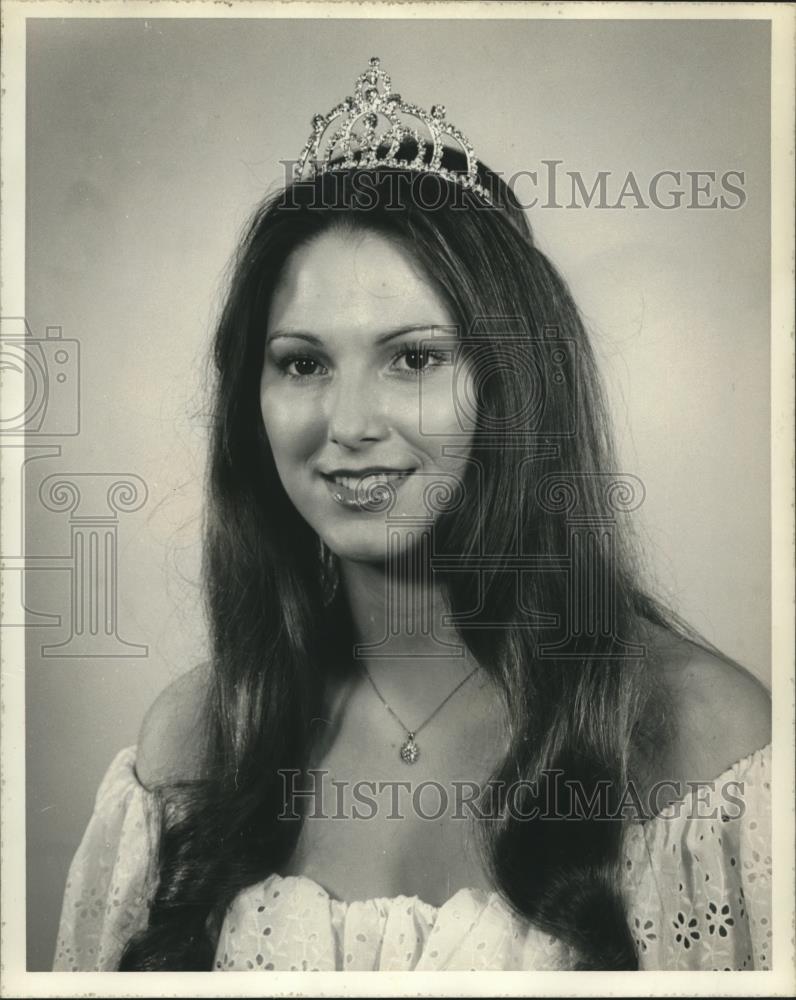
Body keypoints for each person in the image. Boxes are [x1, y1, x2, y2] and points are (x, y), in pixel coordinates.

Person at [52, 58, 771, 973]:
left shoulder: (704, 739)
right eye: (303, 364)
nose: (349, 425)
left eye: (415, 359)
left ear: (513, 386)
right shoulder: (193, 739)